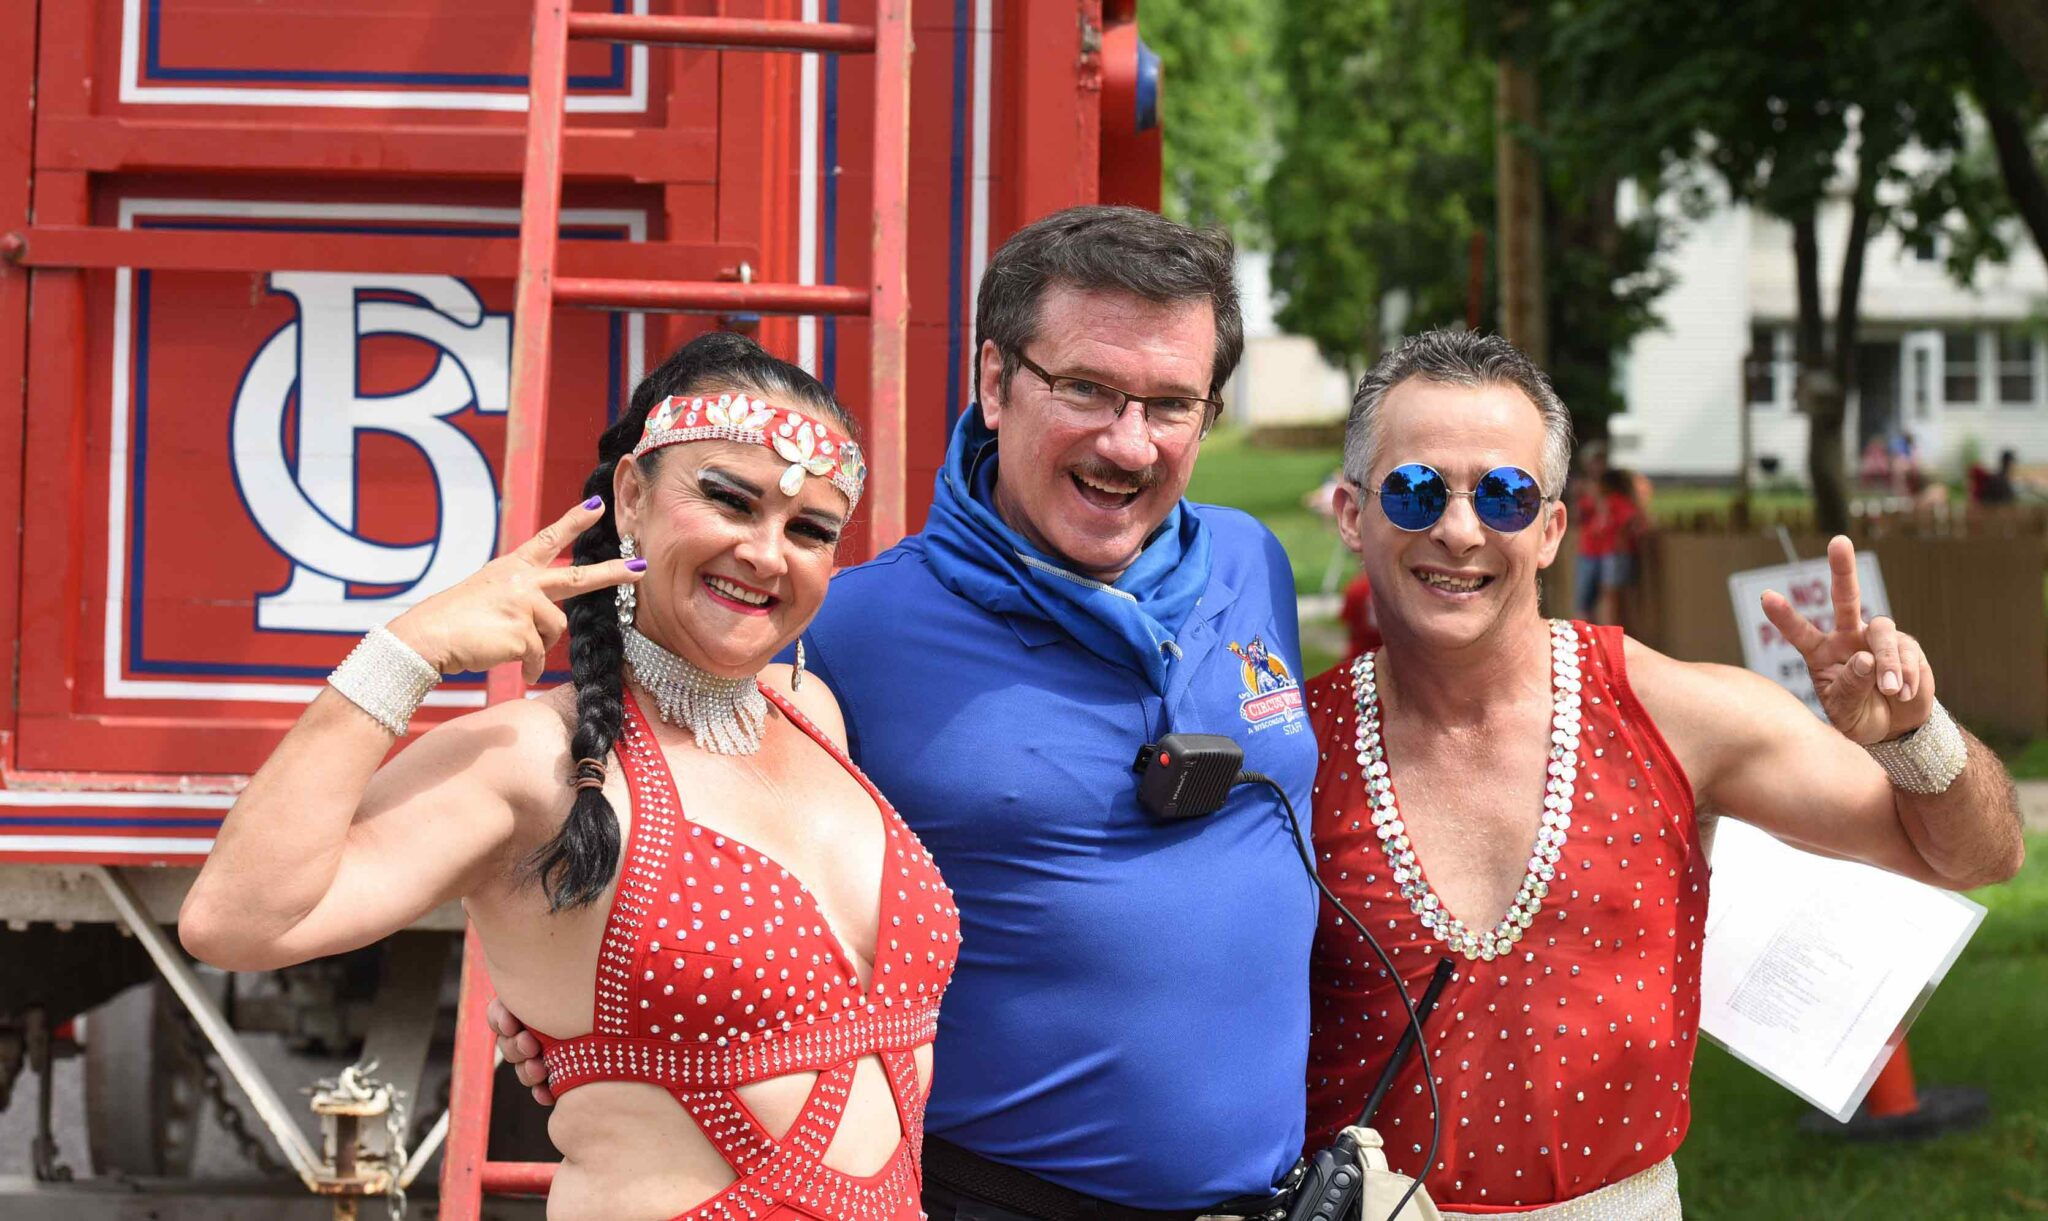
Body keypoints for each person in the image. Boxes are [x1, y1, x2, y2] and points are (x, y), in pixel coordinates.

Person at [496, 206, 1319, 1220]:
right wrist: (558, 987)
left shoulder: (1250, 562)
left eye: (1170, 404)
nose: (1128, 442)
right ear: (993, 381)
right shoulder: (845, 634)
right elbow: (657, 810)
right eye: (1085, 388)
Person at [180, 333, 956, 1221]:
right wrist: (407, 650)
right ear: (632, 496)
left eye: (809, 530)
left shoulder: (811, 712)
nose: (767, 553)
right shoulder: (530, 758)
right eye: (729, 501)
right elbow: (233, 921)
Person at [1303, 330, 2024, 1215]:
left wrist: (1914, 732)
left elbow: (1980, 854)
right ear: (1352, 513)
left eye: (1504, 494)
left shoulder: (1672, 715)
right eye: (1415, 491)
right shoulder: (1290, 751)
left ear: (1551, 529)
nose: (1459, 530)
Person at [1569, 442, 1639, 626]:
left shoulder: (1616, 495)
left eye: (1601, 460)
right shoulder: (1583, 488)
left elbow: (1630, 520)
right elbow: (1578, 518)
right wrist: (1580, 498)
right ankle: (1586, 635)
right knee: (1584, 600)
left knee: (1611, 598)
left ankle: (1609, 633)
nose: (1598, 465)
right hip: (1589, 550)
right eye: (1594, 460)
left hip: (1611, 551)